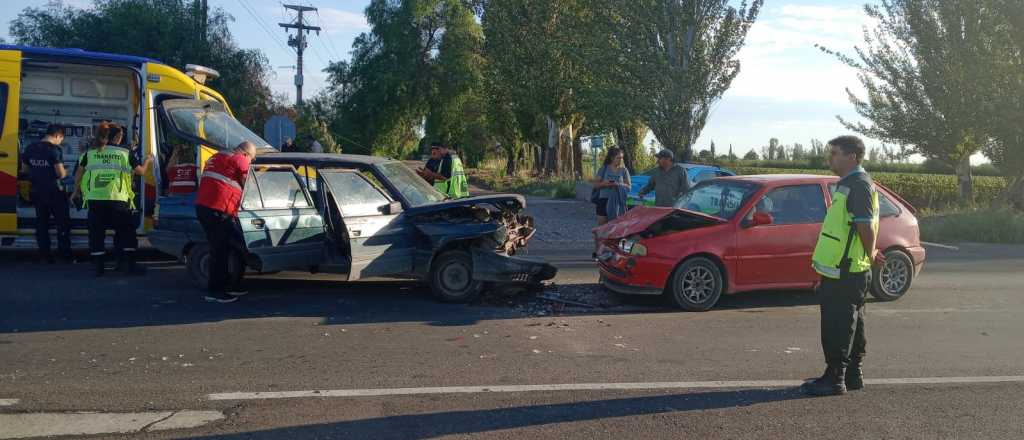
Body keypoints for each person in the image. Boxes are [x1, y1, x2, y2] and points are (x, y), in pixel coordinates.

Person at [801, 135, 883, 397]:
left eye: (835, 153)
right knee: (852, 321)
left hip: (846, 270)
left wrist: (870, 253)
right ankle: (852, 374)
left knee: (838, 323)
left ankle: (835, 378)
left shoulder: (858, 185)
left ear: (852, 156)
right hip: (844, 267)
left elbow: (865, 225)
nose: (830, 158)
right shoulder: (850, 184)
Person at [73, 123, 154, 276]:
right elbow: (141, 172)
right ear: (117, 137)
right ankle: (127, 265)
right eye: (121, 135)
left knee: (96, 233)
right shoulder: (125, 153)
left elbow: (78, 175)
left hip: (95, 200)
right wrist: (148, 160)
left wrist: (75, 192)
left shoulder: (90, 154)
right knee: (125, 232)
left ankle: (98, 268)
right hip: (118, 200)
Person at [195, 141, 257, 303]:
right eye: (252, 158)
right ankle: (216, 291)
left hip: (205, 208)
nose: (251, 162)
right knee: (220, 251)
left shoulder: (216, 157)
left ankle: (228, 285)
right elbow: (248, 184)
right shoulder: (240, 158)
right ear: (246, 153)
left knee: (224, 248)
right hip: (218, 210)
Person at [20, 124, 72, 263]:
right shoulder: (54, 150)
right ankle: (64, 255)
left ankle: (45, 255)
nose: (60, 142)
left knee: (42, 224)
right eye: (61, 139)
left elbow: (24, 170)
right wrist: (66, 171)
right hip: (55, 192)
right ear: (57, 135)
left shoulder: (30, 148)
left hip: (37, 191)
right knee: (62, 223)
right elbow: (60, 174)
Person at [591, 147, 630, 258]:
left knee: (617, 228)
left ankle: (615, 252)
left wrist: (619, 185)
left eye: (621, 158)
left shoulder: (624, 170)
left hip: (617, 202)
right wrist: (605, 183)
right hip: (603, 200)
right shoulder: (604, 169)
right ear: (612, 158)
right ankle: (598, 252)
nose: (620, 160)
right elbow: (595, 184)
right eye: (618, 158)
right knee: (602, 228)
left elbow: (629, 187)